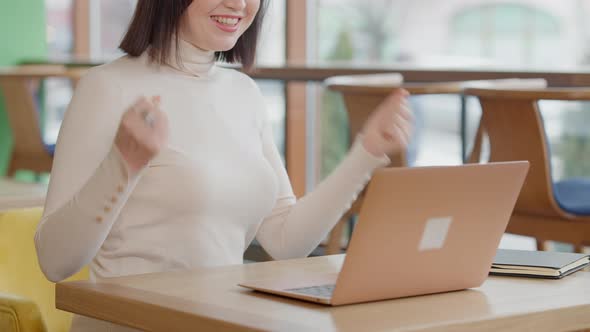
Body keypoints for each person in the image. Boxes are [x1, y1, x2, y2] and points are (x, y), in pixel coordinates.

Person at [34, 0, 412, 330]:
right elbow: (54, 260)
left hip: (220, 320)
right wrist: (124, 163)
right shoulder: (107, 86)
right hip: (131, 323)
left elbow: (284, 239)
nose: (239, 3)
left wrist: (366, 152)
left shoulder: (243, 93)